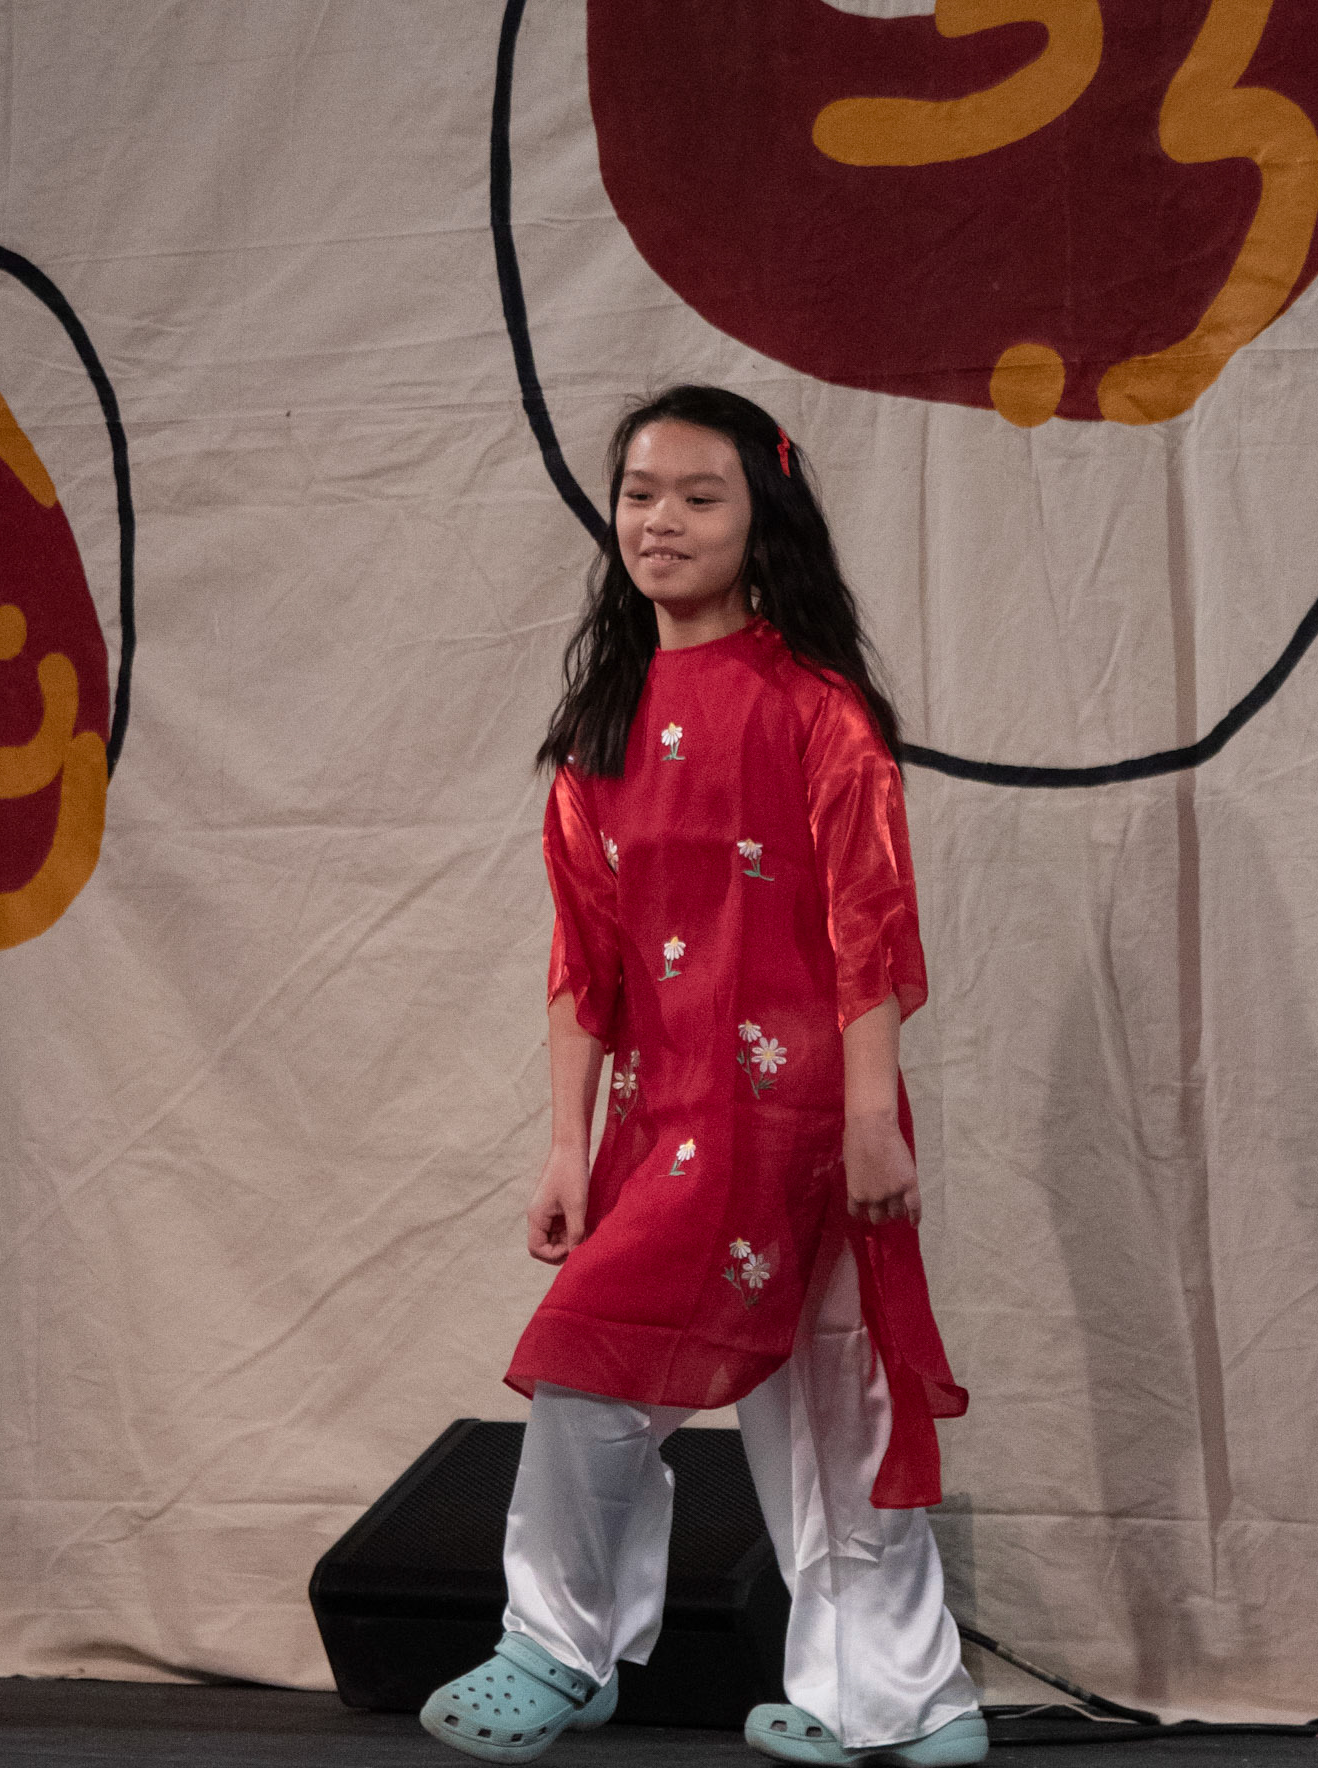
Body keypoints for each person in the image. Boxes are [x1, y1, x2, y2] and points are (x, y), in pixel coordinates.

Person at [421, 387, 985, 1767]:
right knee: (601, 1353)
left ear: (761, 516)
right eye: (638, 493)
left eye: (697, 495)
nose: (658, 520)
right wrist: (567, 1145)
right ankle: (563, 1652)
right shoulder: (599, 736)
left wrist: (870, 1118)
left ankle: (899, 1702)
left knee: (831, 1406)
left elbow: (868, 924)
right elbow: (585, 966)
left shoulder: (818, 711)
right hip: (671, 1121)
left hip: (812, 1115)